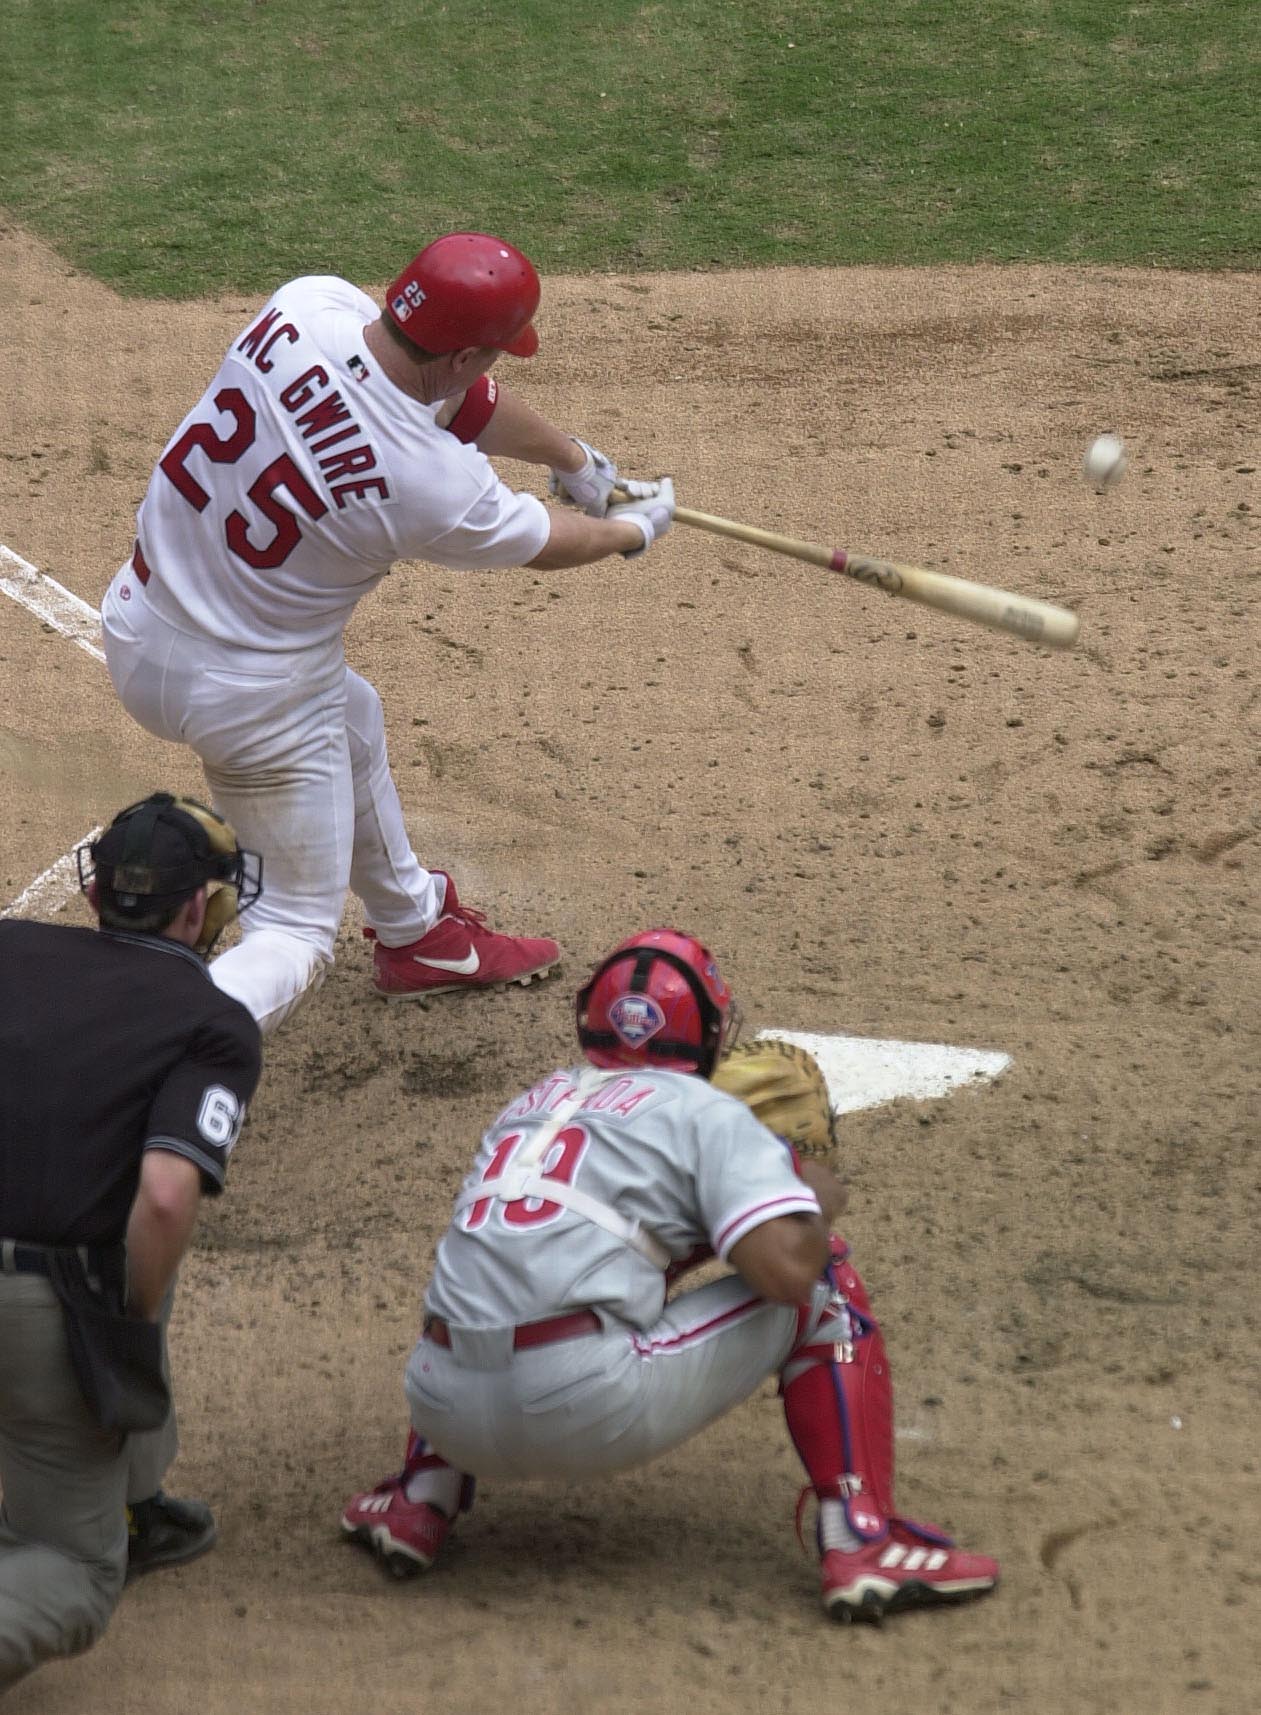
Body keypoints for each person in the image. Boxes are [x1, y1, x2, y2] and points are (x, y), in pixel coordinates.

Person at [100, 230, 676, 1036]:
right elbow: (547, 544)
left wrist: (572, 460)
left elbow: (451, 398)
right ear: (472, 351)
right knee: (296, 930)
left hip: (137, 623)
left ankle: (414, 933)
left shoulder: (306, 305)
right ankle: (131, 1049)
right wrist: (634, 531)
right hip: (250, 702)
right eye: (492, 354)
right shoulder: (430, 483)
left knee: (351, 714)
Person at [340, 929, 999, 1623]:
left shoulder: (529, 1105)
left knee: (501, 1274)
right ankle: (862, 1540)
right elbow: (783, 1272)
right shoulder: (705, 1110)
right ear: (709, 1030)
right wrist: (806, 1192)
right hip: (580, 1403)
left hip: (439, 1401)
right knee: (823, 1283)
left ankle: (419, 1500)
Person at [0, 793, 263, 1690]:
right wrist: (129, 1329)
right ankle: (103, 1522)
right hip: (37, 1310)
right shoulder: (210, 1020)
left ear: (92, 891)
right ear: (201, 909)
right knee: (73, 1569)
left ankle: (134, 1498)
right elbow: (162, 1194)